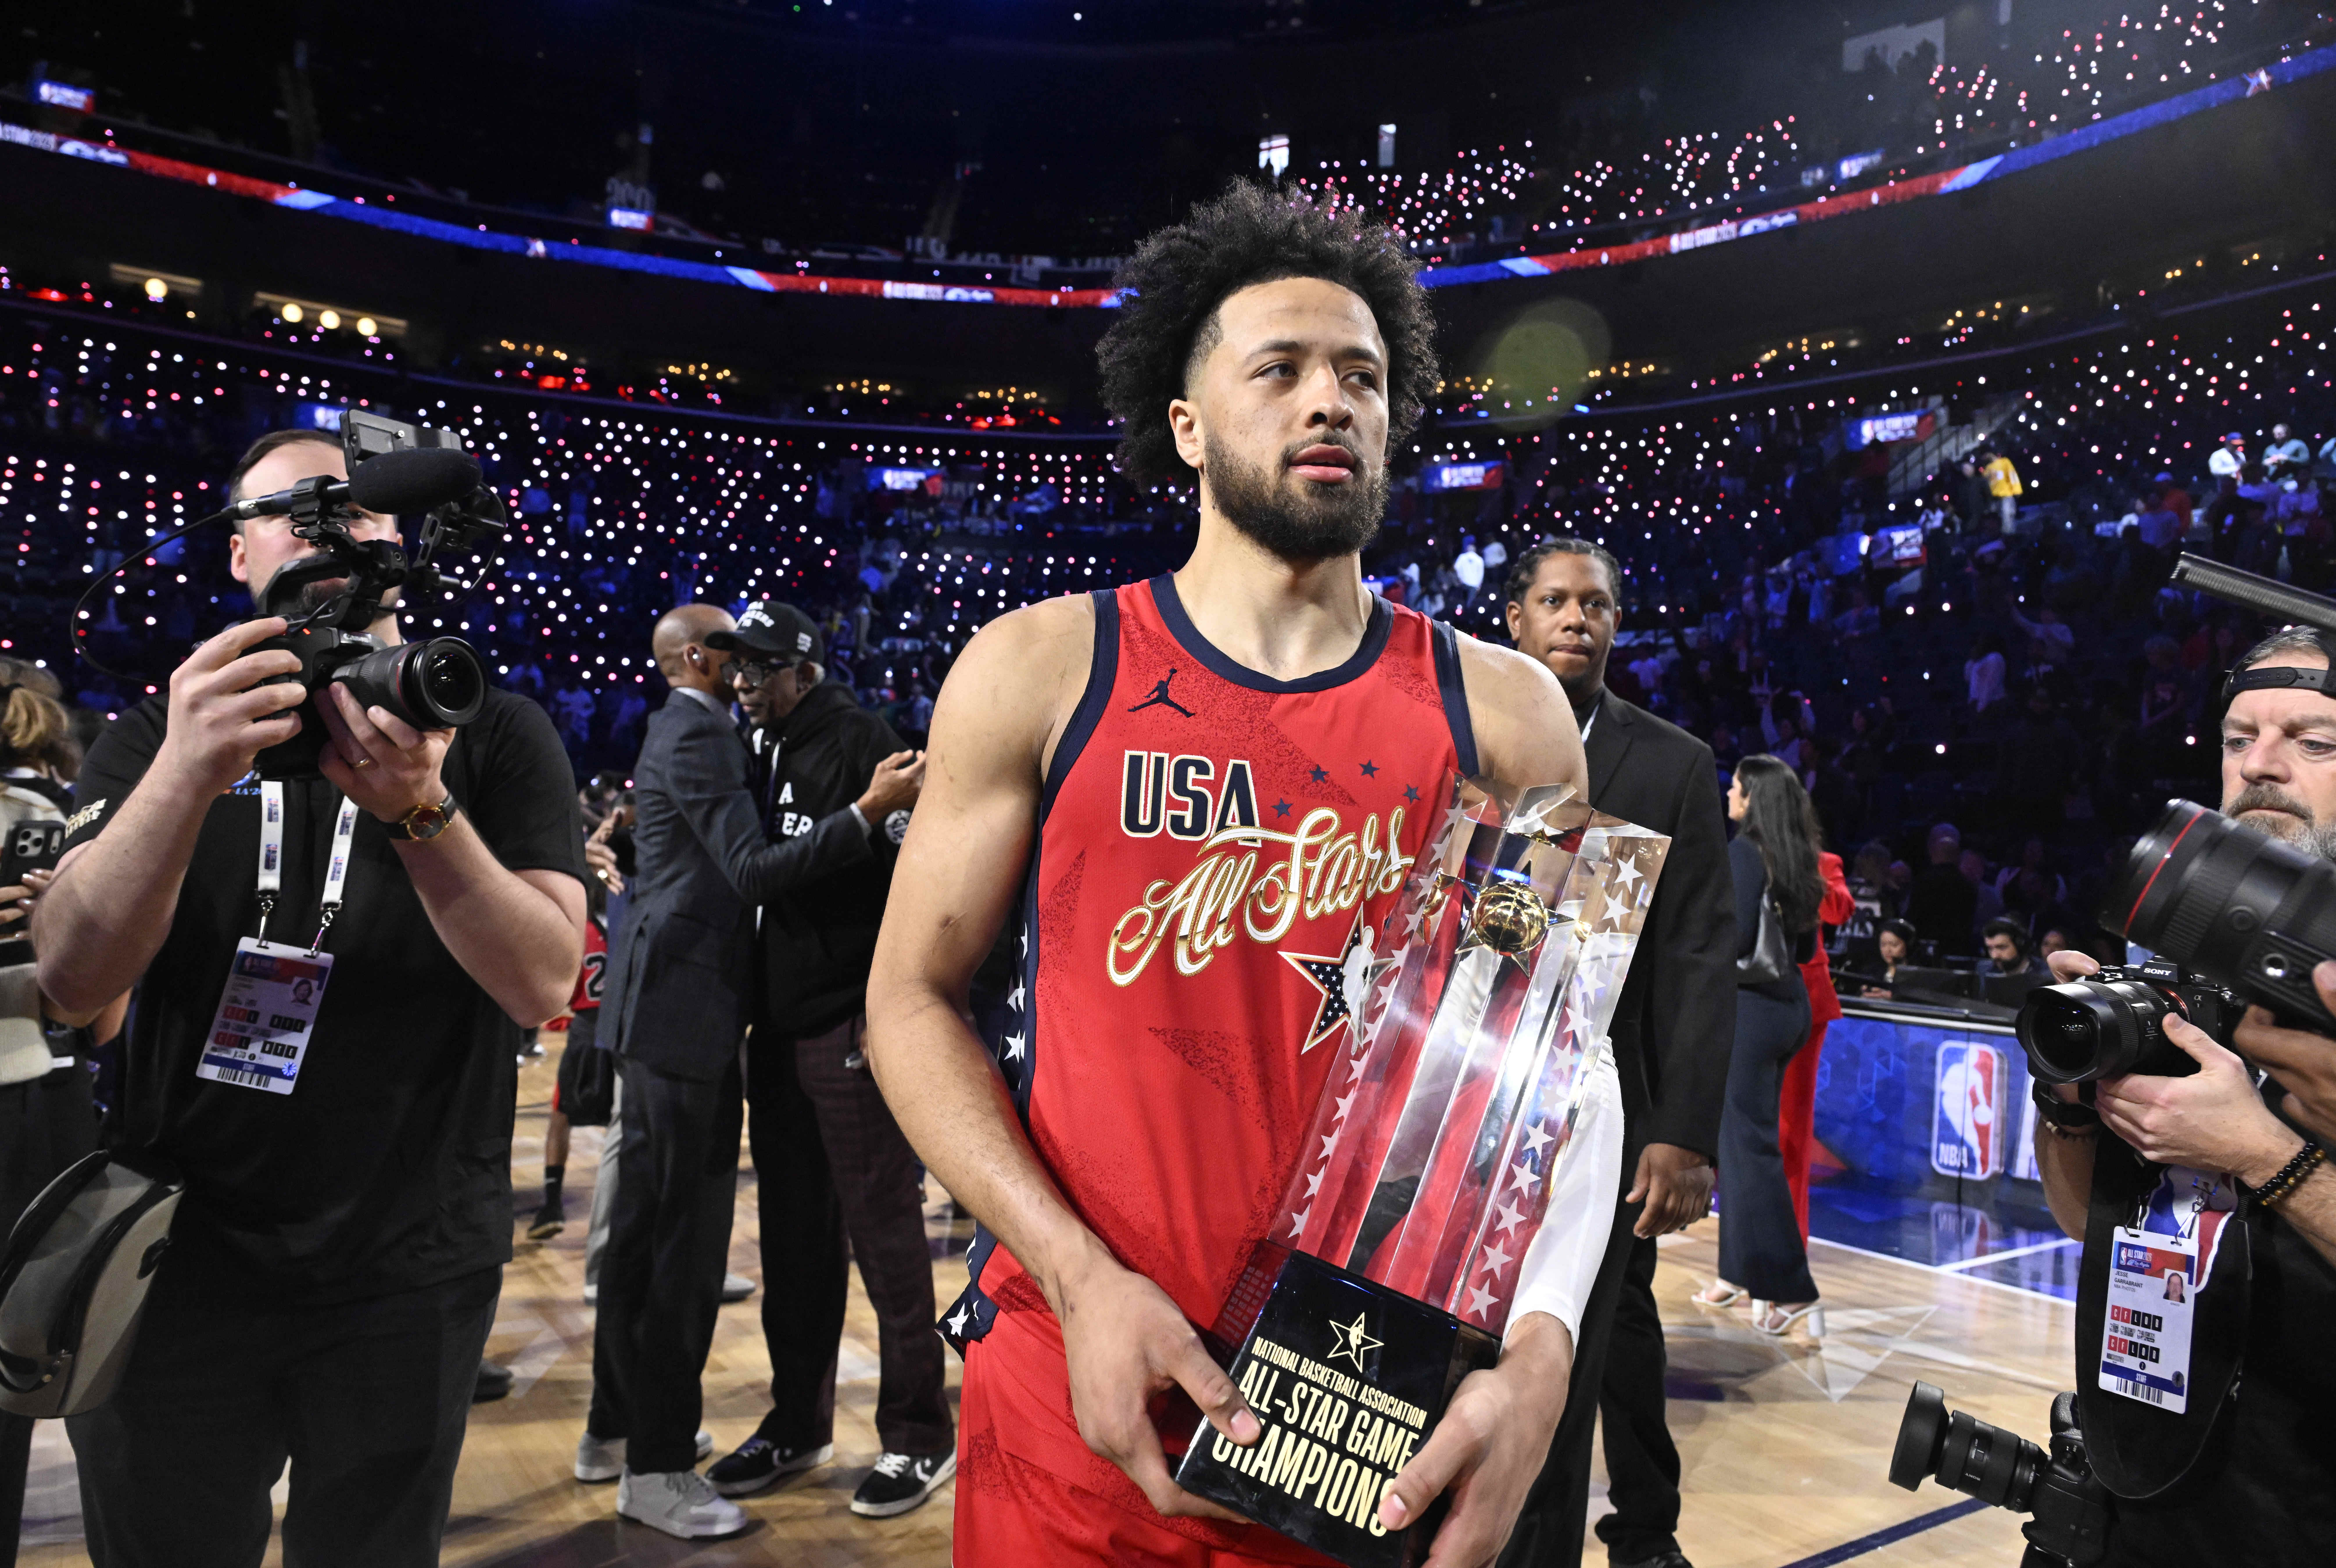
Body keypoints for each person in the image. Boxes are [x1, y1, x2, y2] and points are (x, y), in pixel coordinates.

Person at [865, 181, 1618, 1568]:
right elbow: (907, 1001)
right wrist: (1081, 1277)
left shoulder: (1507, 714)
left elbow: (1558, 1065)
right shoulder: (1041, 666)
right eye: (1277, 368)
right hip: (1080, 1387)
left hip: (1368, 1423)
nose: (1328, 400)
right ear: (1188, 424)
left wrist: (1546, 1349)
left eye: (1361, 376)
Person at [32, 428, 589, 1566]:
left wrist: (420, 809)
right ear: (239, 552)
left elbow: (541, 980)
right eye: (291, 508)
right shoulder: (159, 728)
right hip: (178, 1250)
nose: (326, 528)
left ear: (400, 539)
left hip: (410, 1256)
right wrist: (189, 770)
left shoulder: (493, 727)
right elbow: (75, 974)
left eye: (355, 504)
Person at [581, 603, 901, 1539]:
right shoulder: (705, 730)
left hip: (665, 1005)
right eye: (730, 650)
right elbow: (755, 869)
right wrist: (866, 813)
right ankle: (657, 1465)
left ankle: (614, 1428)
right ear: (695, 657)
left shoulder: (684, 726)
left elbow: (677, 852)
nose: (745, 666)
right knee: (682, 1242)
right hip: (687, 1013)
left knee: (643, 1233)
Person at [2032, 623, 2336, 1562]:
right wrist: (2070, 1104)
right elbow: (2093, 1224)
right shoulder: (2169, 957)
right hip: (2149, 1473)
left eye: (2314, 741)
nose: (2262, 765)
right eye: (2239, 738)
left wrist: (2263, 1153)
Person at [1495, 538, 1736, 1568]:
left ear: (1617, 623)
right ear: (1516, 617)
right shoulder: (1463, 735)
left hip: (1610, 1105)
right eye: (1554, 599)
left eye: (1595, 603)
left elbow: (1697, 954)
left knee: (1598, 1327)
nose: (1576, 617)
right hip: (1475, 1089)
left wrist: (1680, 1131)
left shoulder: (1673, 761)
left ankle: (1625, 1532)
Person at [699, 600, 949, 1515]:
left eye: (760, 668)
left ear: (804, 669)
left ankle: (919, 1434)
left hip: (846, 1029)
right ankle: (796, 1422)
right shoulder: (754, 744)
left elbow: (907, 890)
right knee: (794, 1245)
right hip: (778, 1031)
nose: (743, 683)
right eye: (736, 668)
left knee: (886, 1240)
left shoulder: (861, 741)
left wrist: (892, 1014)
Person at [1689, 755, 1823, 1337]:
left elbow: (1734, 938)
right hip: (1788, 1005)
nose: (1728, 795)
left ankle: (1789, 1290)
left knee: (1749, 1150)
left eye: (1736, 788)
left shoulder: (1745, 854)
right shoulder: (1797, 859)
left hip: (1750, 1011)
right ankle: (1736, 1273)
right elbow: (1804, 948)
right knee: (1740, 1147)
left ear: (1753, 799)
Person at [1778, 848, 1854, 1243]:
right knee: (1745, 1135)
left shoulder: (1821, 861)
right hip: (1746, 995)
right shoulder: (1744, 854)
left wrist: (1807, 871)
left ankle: (1788, 1252)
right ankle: (1741, 1263)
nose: (1729, 794)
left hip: (1804, 999)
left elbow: (1840, 910)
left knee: (1790, 1129)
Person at [1904, 822, 1977, 954]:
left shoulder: (1924, 882)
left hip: (1925, 949)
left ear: (1932, 853)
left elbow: (1914, 915)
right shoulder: (1967, 885)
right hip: (1958, 951)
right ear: (1958, 856)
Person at [1859, 918, 1920, 997]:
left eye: (1894, 945)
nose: (1888, 950)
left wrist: (1893, 996)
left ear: (1908, 946)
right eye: (1883, 945)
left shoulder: (1918, 976)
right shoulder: (1871, 974)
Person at [1977, 916, 2046, 979]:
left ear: (2020, 944)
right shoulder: (1984, 970)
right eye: (1990, 948)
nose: (1995, 956)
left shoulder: (2045, 975)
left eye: (2002, 948)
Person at [1982, 447, 2023, 531]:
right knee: (1997, 521)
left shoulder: (2005, 462)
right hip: (1994, 498)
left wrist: (2017, 490)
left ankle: (2010, 538)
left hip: (2006, 495)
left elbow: (2012, 476)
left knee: (2007, 518)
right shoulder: (1988, 468)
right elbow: (1986, 483)